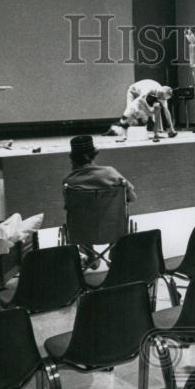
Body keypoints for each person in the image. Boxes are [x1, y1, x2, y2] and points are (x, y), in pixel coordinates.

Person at [62, 134, 136, 269]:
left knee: (82, 217)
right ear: (93, 155)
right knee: (114, 214)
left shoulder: (69, 181)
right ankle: (114, 253)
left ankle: (91, 257)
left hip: (82, 233)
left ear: (73, 158)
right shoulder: (110, 173)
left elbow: (69, 208)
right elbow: (132, 198)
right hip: (113, 230)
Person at [105, 79, 177, 141]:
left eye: (163, 99)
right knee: (132, 112)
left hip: (143, 96)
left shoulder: (162, 95)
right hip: (133, 92)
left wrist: (172, 129)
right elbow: (141, 100)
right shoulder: (149, 88)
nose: (161, 99)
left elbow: (166, 111)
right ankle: (119, 131)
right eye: (160, 97)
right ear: (159, 92)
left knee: (157, 108)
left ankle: (156, 133)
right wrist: (150, 111)